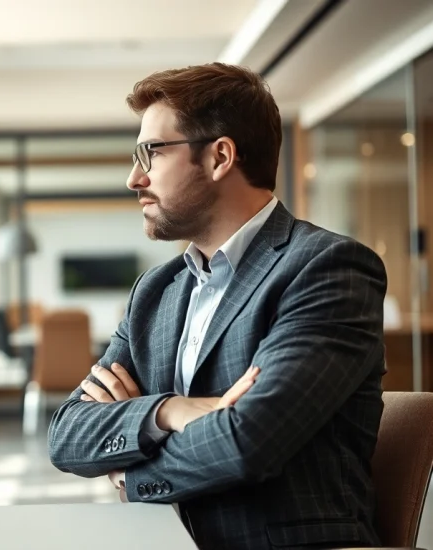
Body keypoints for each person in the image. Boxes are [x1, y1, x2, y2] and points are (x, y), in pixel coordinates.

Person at [47, 63, 387, 550]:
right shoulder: (156, 292)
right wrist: (169, 411)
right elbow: (66, 434)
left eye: (151, 152)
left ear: (219, 157)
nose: (133, 178)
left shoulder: (328, 268)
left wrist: (130, 476)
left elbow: (248, 442)